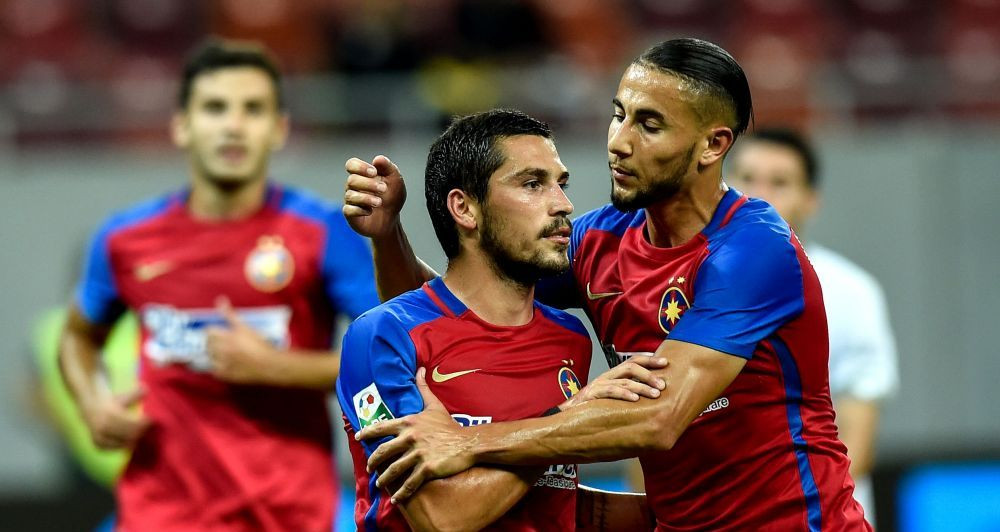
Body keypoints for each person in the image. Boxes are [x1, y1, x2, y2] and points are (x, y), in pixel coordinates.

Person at [343, 38, 870, 530]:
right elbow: (460, 304)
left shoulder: (753, 251)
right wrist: (389, 238)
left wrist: (468, 443)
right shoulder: (600, 242)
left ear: (713, 145)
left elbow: (658, 418)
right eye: (619, 115)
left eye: (650, 125)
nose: (619, 142)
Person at [58, 39, 380, 531]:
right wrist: (91, 403)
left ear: (279, 129)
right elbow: (78, 336)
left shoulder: (324, 232)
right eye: (214, 108)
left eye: (253, 109)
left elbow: (391, 352)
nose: (233, 125)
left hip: (290, 514)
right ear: (181, 126)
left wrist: (276, 367)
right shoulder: (124, 239)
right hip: (159, 514)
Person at [338, 109, 663, 531]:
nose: (563, 205)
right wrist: (572, 417)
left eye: (561, 184)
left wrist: (682, 518)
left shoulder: (569, 337)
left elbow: (550, 497)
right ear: (464, 208)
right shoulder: (382, 336)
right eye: (532, 184)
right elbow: (442, 518)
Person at [727, 127, 899, 523]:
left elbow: (857, 436)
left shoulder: (852, 292)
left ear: (811, 200)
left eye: (779, 182)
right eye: (747, 177)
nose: (759, 194)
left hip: (818, 517)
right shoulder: (682, 284)